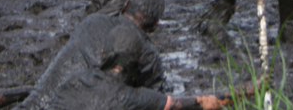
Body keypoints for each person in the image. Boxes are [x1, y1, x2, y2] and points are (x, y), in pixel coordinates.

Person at [22, 0, 166, 110]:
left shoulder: (92, 21)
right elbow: (158, 100)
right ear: (155, 26)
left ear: (126, 6)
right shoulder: (149, 55)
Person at [45, 22, 234, 110]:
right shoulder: (134, 97)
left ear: (103, 53)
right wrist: (212, 101)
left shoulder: (73, 81)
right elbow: (179, 104)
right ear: (137, 64)